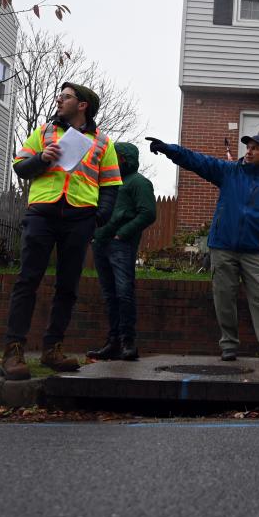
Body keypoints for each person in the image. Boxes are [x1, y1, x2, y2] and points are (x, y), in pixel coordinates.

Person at [0, 82, 122, 380]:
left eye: (65, 97)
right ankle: (13, 352)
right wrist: (41, 158)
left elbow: (110, 186)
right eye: (60, 96)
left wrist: (97, 218)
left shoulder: (104, 143)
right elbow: (19, 166)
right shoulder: (44, 133)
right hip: (43, 212)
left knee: (68, 286)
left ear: (82, 105)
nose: (59, 100)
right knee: (28, 280)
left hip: (80, 218)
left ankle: (52, 349)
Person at [146, 134, 259, 363]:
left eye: (255, 148)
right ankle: (229, 345)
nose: (249, 151)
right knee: (224, 296)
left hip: (255, 250)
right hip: (223, 245)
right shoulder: (229, 172)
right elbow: (198, 161)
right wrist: (169, 150)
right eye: (248, 147)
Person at [87, 142, 157, 362]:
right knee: (109, 295)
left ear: (125, 158)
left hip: (121, 245)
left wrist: (123, 233)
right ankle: (113, 342)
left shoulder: (138, 182)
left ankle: (128, 342)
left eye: (115, 156)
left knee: (124, 292)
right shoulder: (106, 183)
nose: (111, 160)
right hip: (100, 243)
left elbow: (148, 213)